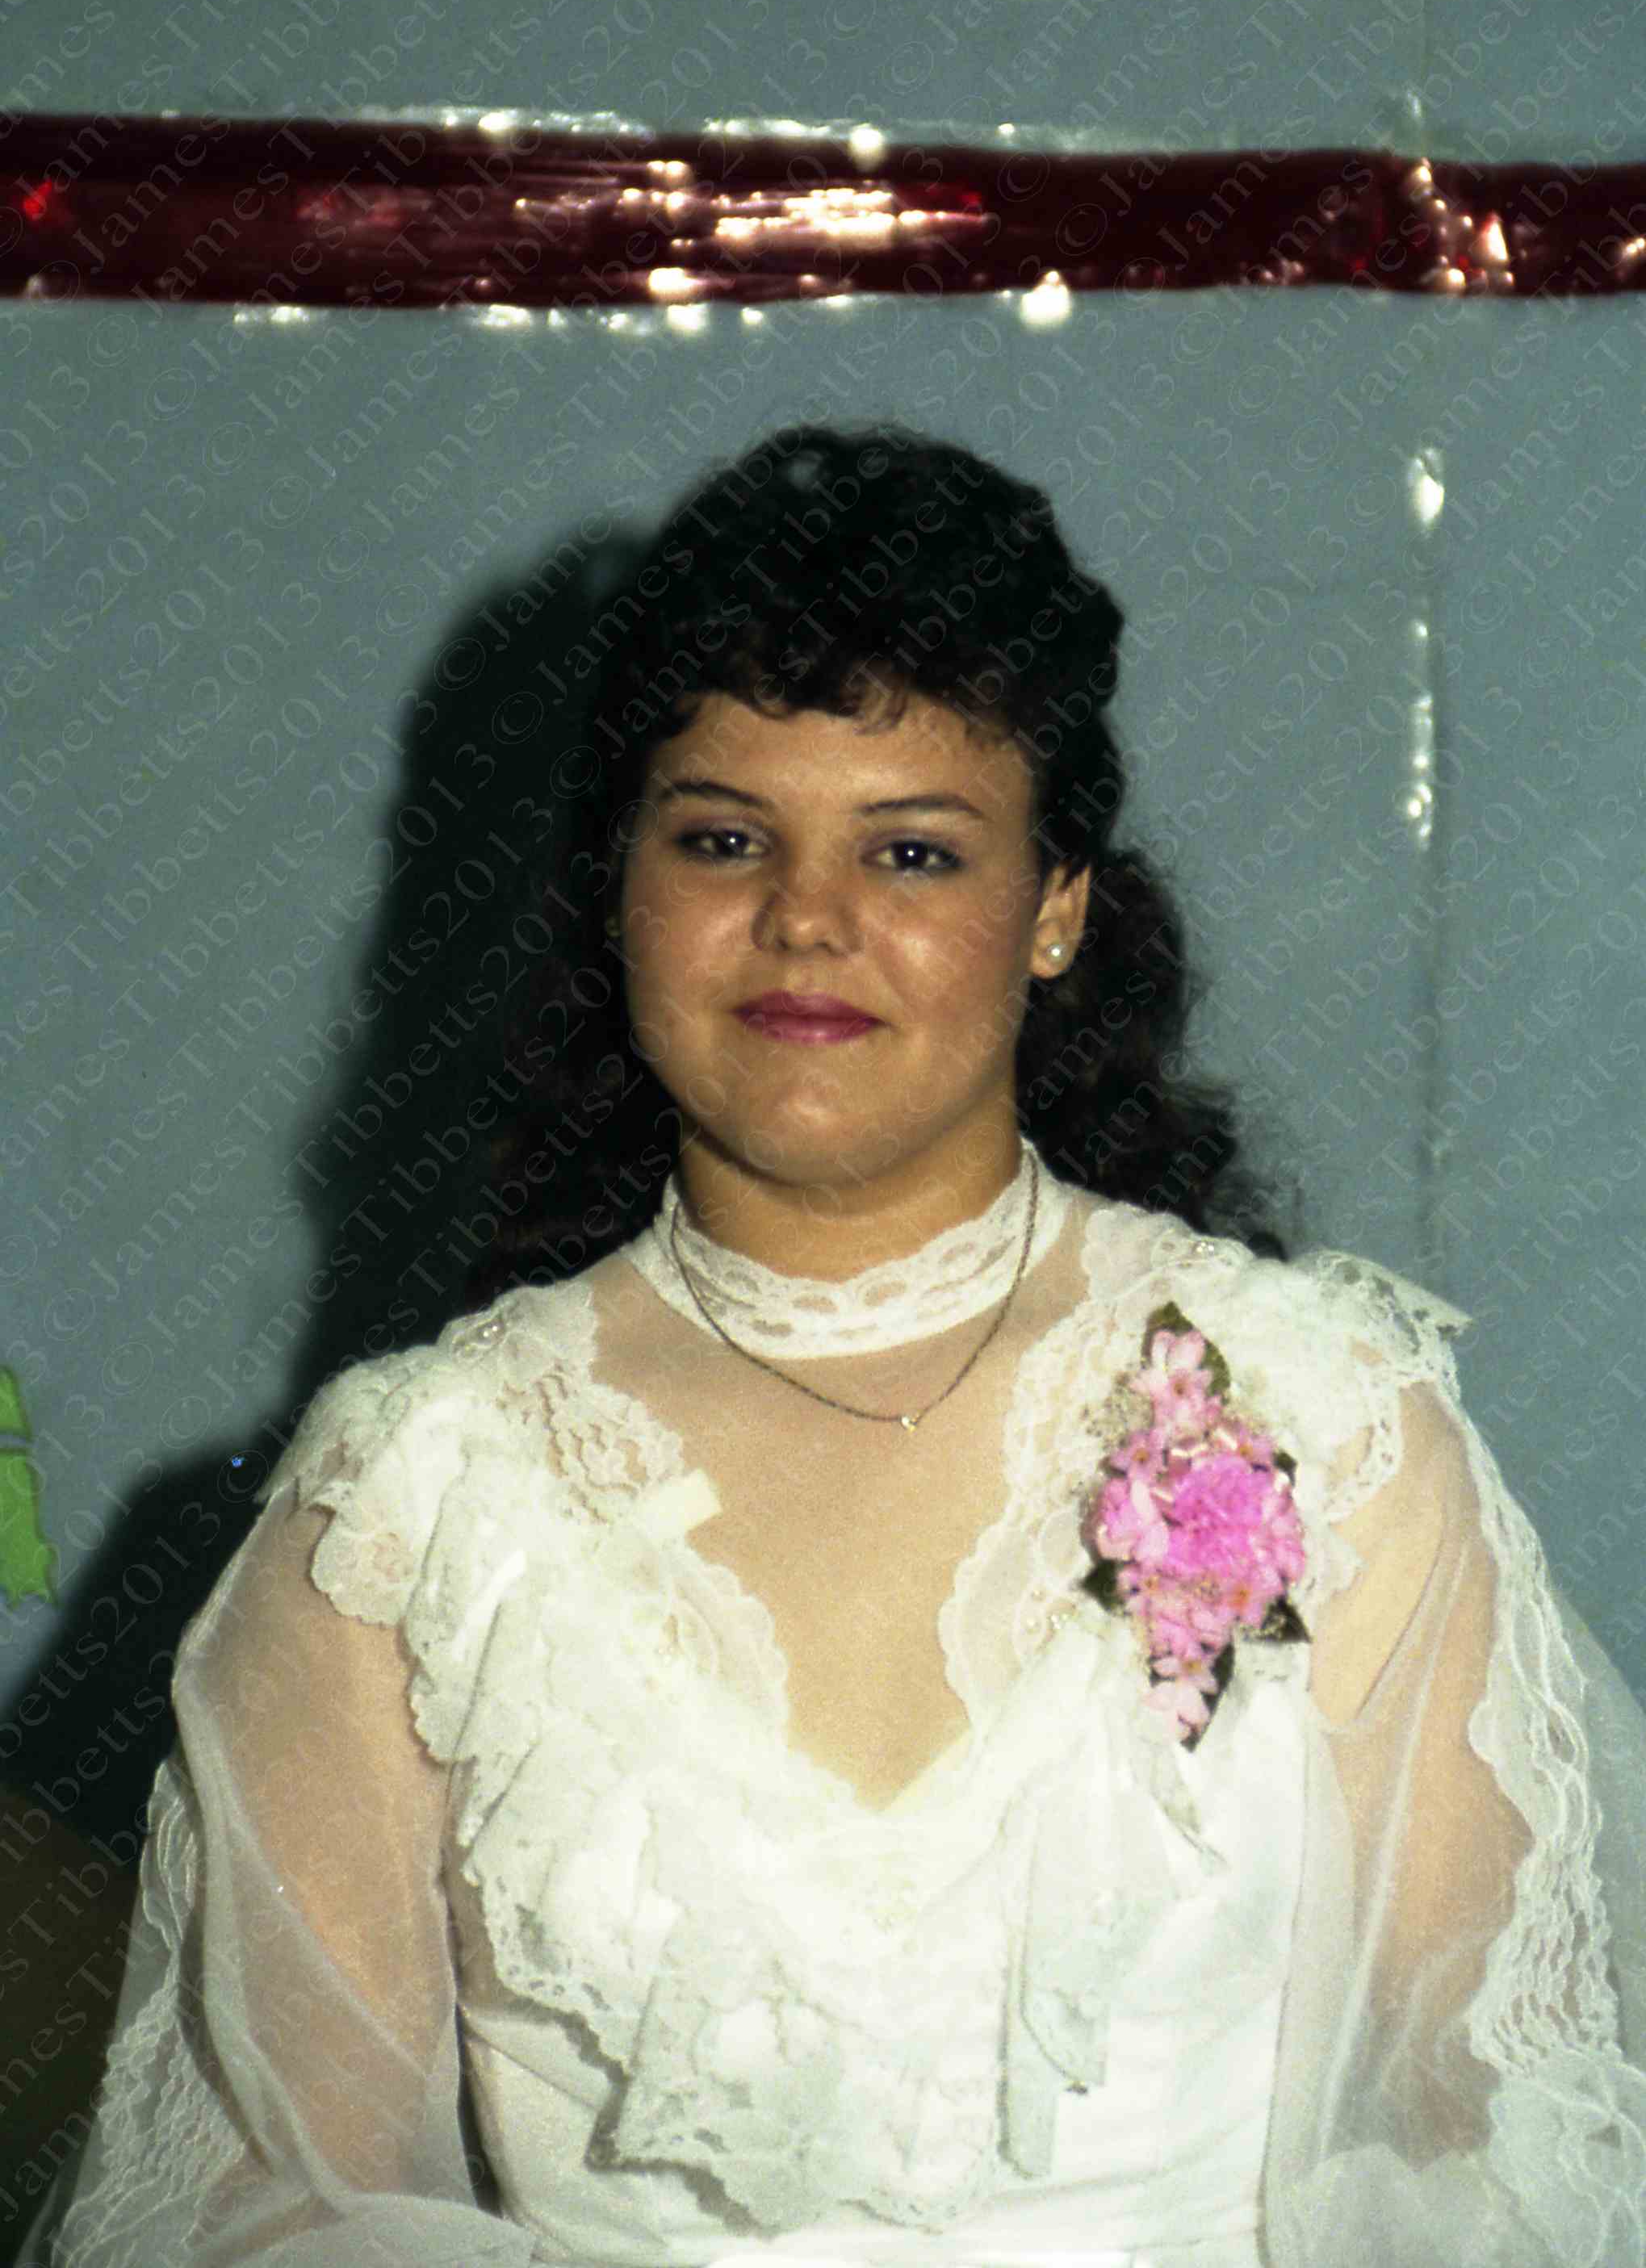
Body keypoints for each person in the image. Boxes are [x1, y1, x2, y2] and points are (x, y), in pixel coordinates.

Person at [36, 424, 1646, 2266]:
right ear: (620, 888)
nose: (808, 918)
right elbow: (265, 2209)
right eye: (725, 838)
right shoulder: (411, 1502)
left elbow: (1495, 2135)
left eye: (914, 852)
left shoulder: (1326, 1420)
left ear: (1056, 909)